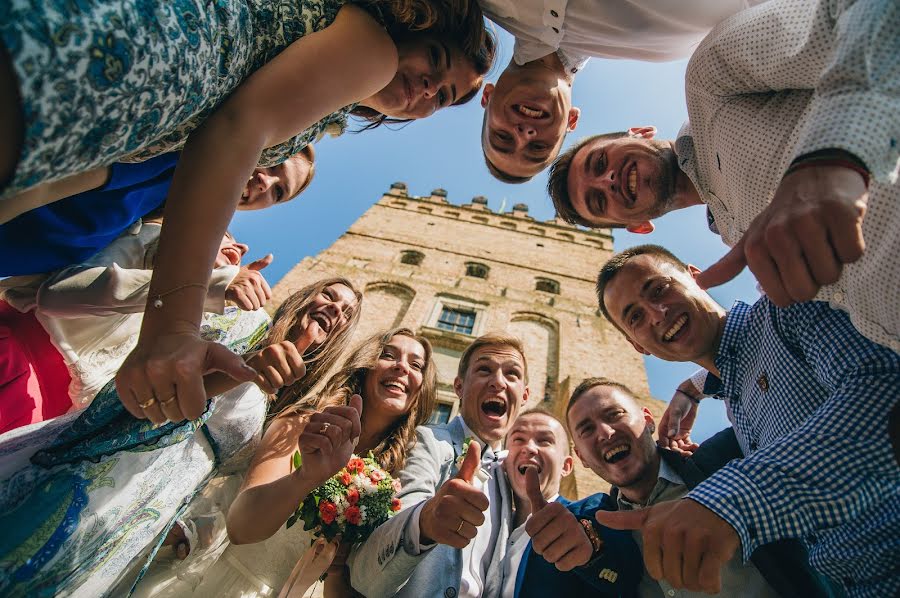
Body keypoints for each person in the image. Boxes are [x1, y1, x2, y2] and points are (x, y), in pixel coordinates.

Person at [0, 0, 496, 429]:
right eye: (435, 57)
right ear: (414, 18)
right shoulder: (373, 45)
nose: (430, 87)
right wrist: (172, 329)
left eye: (444, 97)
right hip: (112, 65)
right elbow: (235, 131)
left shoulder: (330, 91)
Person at [548, 0, 900, 352]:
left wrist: (834, 153)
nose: (607, 181)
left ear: (638, 132)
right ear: (637, 226)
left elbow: (863, 9)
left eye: (598, 163)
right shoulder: (737, 239)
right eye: (598, 200)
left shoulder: (709, 83)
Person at [0, 278, 361, 597]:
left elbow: (231, 479)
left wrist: (195, 524)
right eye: (329, 296)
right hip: (120, 463)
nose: (335, 309)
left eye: (346, 312)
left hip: (155, 506)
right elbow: (158, 383)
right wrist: (247, 367)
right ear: (304, 298)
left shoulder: (289, 403)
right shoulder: (247, 324)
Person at [591, 244, 899, 596]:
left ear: (696, 278)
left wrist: (730, 500)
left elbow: (884, 387)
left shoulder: (785, 308)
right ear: (638, 346)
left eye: (659, 289)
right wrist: (696, 386)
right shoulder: (736, 402)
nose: (657, 314)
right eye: (636, 318)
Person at [133, 327, 436, 598]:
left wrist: (336, 569)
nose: (401, 367)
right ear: (366, 366)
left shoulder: (397, 477)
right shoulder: (305, 425)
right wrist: (305, 477)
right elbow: (241, 528)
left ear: (423, 388)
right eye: (388, 355)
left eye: (415, 364)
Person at [566, 377, 840, 597]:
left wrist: (695, 386)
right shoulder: (603, 532)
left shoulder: (729, 457)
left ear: (649, 420)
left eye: (614, 414)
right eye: (586, 430)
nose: (605, 433)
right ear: (581, 458)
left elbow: (808, 398)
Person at [0, 223, 271, 432]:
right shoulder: (147, 237)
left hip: (40, 418)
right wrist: (207, 286)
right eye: (226, 235)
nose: (243, 247)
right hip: (11, 351)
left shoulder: (191, 326)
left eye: (278, 192)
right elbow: (57, 293)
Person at [478, 0, 765, 182]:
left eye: (502, 136)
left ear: (487, 96)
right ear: (571, 122)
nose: (524, 134)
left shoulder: (489, 5)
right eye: (538, 147)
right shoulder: (669, 46)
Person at [349, 332, 529, 597]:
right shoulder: (426, 441)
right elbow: (364, 575)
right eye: (484, 369)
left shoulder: (508, 474)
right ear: (459, 387)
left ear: (524, 395)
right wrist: (422, 524)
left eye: (511, 374)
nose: (498, 382)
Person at [0, 146, 314, 277]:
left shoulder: (173, 217)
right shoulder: (172, 159)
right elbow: (40, 182)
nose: (265, 182)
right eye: (273, 162)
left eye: (278, 191)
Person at [500, 408, 641, 597]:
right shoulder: (490, 528)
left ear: (566, 466)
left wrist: (591, 553)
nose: (530, 448)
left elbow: (627, 575)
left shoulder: (591, 510)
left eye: (545, 440)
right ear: (503, 460)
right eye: (518, 439)